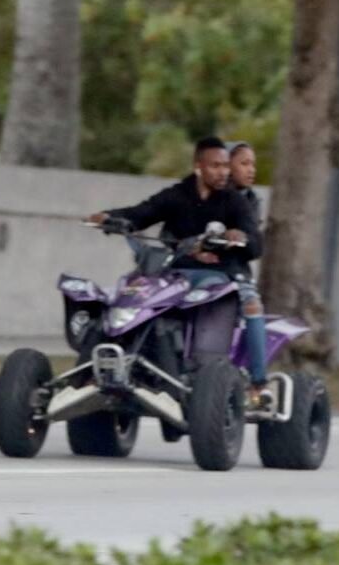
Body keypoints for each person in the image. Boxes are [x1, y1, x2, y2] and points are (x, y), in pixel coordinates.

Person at [87, 136, 271, 406]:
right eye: (216, 166)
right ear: (199, 166)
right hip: (176, 273)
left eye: (225, 166)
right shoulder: (177, 195)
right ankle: (101, 368)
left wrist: (238, 235)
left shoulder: (235, 202)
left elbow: (255, 244)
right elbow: (141, 213)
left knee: (249, 304)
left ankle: (258, 382)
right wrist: (108, 217)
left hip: (223, 274)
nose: (224, 172)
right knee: (127, 296)